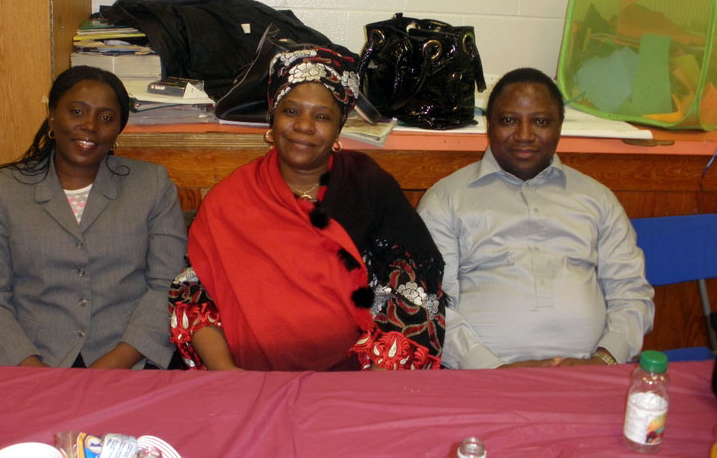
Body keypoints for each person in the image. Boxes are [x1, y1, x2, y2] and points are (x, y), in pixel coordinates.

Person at [169, 46, 445, 370]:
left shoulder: (368, 186)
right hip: (245, 378)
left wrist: (373, 384)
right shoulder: (229, 200)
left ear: (339, 128)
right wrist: (228, 374)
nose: (304, 125)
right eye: (291, 111)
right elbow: (193, 294)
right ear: (273, 118)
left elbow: (415, 287)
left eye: (322, 116)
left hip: (362, 375)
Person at [417, 67, 654, 370]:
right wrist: (491, 370)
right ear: (489, 124)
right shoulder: (445, 201)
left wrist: (604, 360)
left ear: (559, 127)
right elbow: (430, 302)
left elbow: (631, 293)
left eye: (540, 121)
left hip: (592, 375)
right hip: (481, 380)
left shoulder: (598, 198)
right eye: (509, 121)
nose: (524, 136)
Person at [0, 66, 186, 369]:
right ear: (53, 116)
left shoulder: (152, 185)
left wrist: (111, 367)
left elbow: (167, 287)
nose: (90, 125)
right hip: (30, 361)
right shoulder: (1, 190)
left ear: (118, 130)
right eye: (77, 112)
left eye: (106, 118)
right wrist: (31, 371)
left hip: (130, 360)